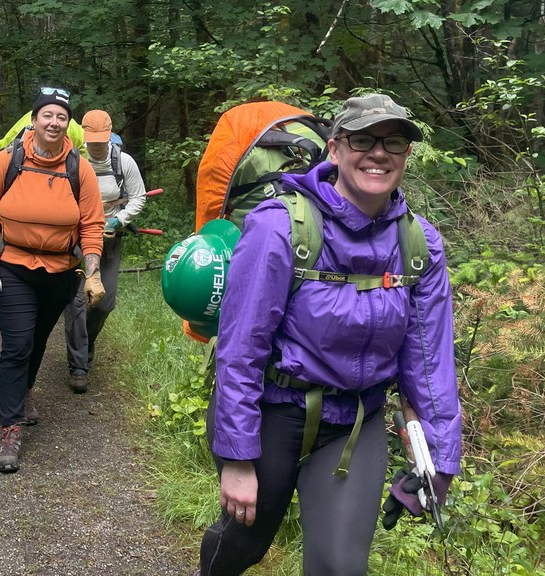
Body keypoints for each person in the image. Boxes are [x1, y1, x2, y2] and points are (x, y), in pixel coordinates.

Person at [193, 94, 462, 576]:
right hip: (271, 413)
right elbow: (240, 349)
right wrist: (236, 458)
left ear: (405, 155)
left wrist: (438, 461)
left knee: (339, 566)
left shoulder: (420, 244)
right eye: (363, 140)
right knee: (243, 545)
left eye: (394, 142)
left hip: (354, 423)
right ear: (335, 150)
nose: (378, 154)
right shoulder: (279, 226)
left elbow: (427, 361)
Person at [0, 87, 105, 473]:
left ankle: (23, 392)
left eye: (61, 117)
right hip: (11, 266)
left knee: (38, 338)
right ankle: (10, 427)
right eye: (48, 115)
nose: (54, 123)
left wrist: (91, 274)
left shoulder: (80, 168)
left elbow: (92, 225)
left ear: (68, 124)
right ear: (34, 120)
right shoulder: (7, 161)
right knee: (18, 342)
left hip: (60, 272)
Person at [63, 109, 146, 393]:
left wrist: (118, 220)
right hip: (76, 242)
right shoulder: (73, 159)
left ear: (109, 135)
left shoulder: (123, 162)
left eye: (100, 139)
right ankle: (79, 364)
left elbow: (138, 198)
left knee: (104, 302)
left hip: (110, 241)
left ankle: (88, 339)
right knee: (76, 303)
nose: (96, 145)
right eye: (91, 140)